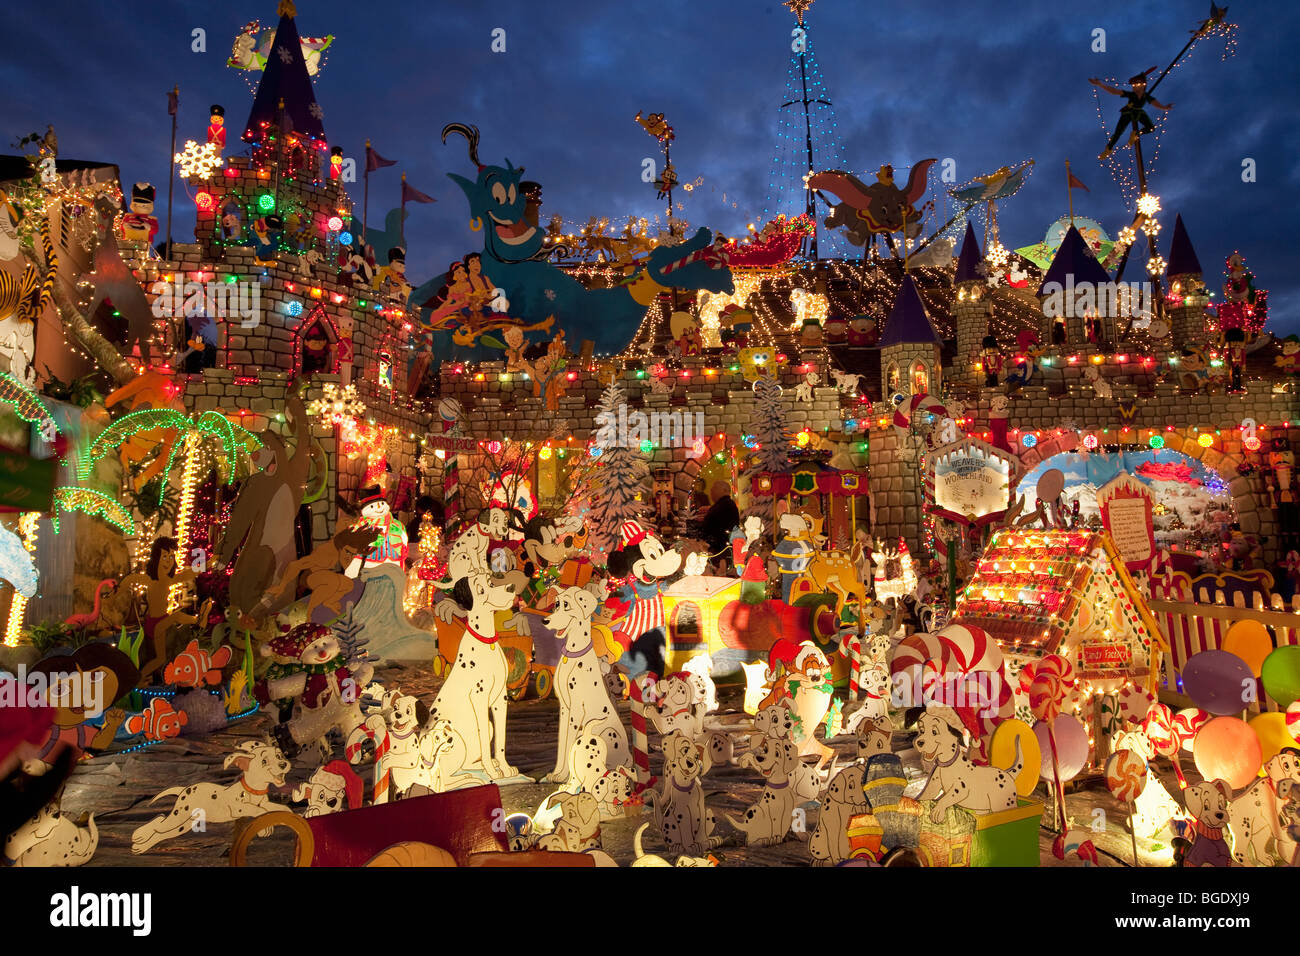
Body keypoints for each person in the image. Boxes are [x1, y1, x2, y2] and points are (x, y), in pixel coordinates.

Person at [1090, 70, 1172, 161]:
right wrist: (1100, 85)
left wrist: (1164, 108)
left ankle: (1136, 134)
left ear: (1143, 85)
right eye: (1133, 86)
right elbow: (1115, 91)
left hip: (1138, 113)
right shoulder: (1131, 94)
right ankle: (1108, 149)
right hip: (1128, 113)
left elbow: (1154, 102)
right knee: (1118, 133)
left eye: (1136, 85)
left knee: (1151, 128)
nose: (1134, 88)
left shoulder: (1145, 96)